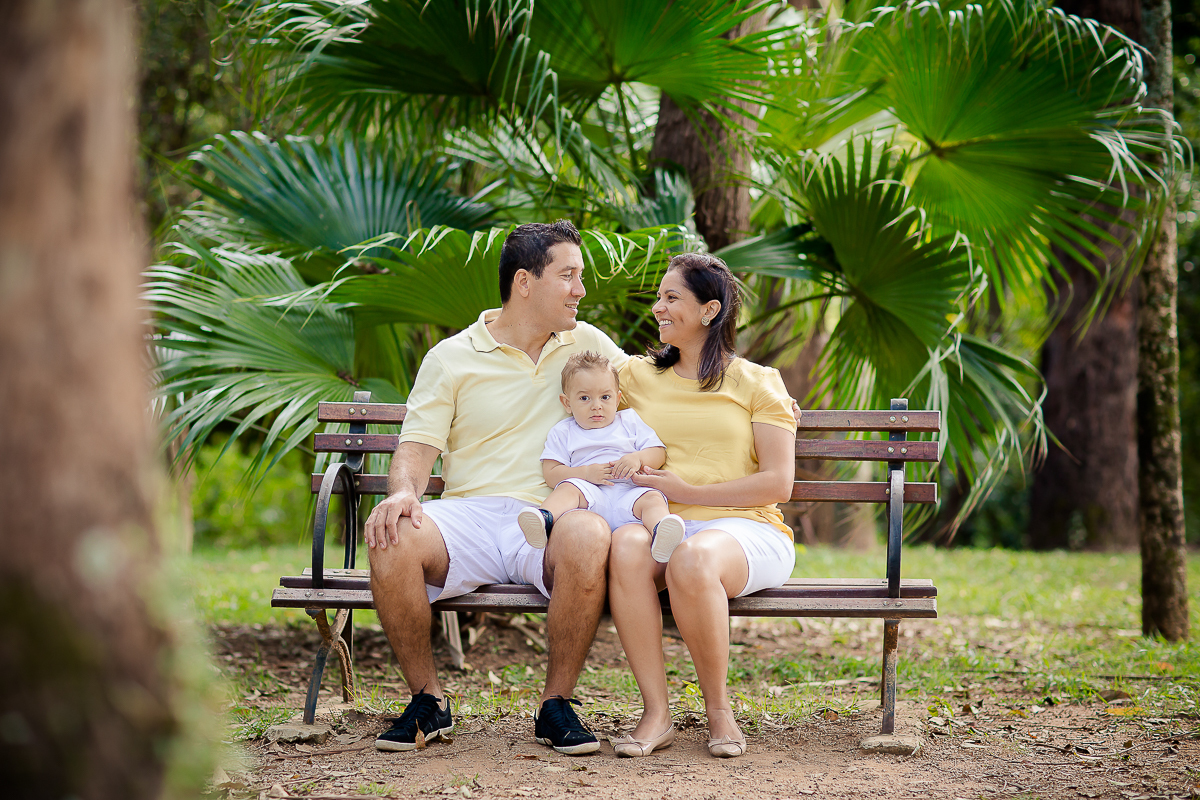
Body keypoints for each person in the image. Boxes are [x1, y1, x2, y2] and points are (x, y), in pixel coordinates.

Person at [362, 220, 629, 755]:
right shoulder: (452, 357)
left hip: (554, 513)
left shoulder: (590, 344)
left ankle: (557, 705)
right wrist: (402, 493)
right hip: (472, 515)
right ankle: (427, 701)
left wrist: (749, 389)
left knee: (588, 533)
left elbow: (661, 391)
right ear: (525, 282)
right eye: (569, 276)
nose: (581, 290)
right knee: (392, 533)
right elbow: (416, 447)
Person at [606, 252, 798, 760]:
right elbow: (574, 375)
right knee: (625, 545)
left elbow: (778, 482)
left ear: (710, 310)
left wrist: (687, 491)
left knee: (693, 557)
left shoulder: (758, 382)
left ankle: (719, 712)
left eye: (672, 298)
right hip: (662, 525)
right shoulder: (634, 376)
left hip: (746, 530)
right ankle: (656, 715)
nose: (658, 308)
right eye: (659, 297)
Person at [517, 351, 686, 564]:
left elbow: (658, 452)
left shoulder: (629, 421)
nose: (596, 405)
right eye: (584, 398)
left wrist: (637, 459)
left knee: (652, 498)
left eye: (605, 397)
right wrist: (584, 474)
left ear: (617, 399)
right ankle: (544, 519)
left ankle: (661, 532)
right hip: (589, 497)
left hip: (630, 492)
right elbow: (551, 473)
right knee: (568, 488)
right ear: (567, 403)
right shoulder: (564, 431)